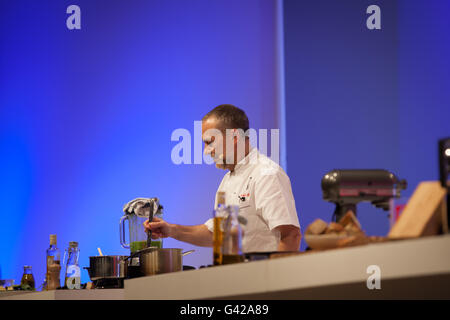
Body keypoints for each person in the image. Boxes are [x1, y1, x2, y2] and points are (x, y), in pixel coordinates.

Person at [144, 104, 301, 252]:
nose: (206, 151)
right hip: (237, 276)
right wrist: (172, 230)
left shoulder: (267, 174)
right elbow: (218, 235)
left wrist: (272, 279)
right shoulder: (227, 180)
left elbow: (290, 235)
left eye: (210, 142)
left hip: (264, 277)